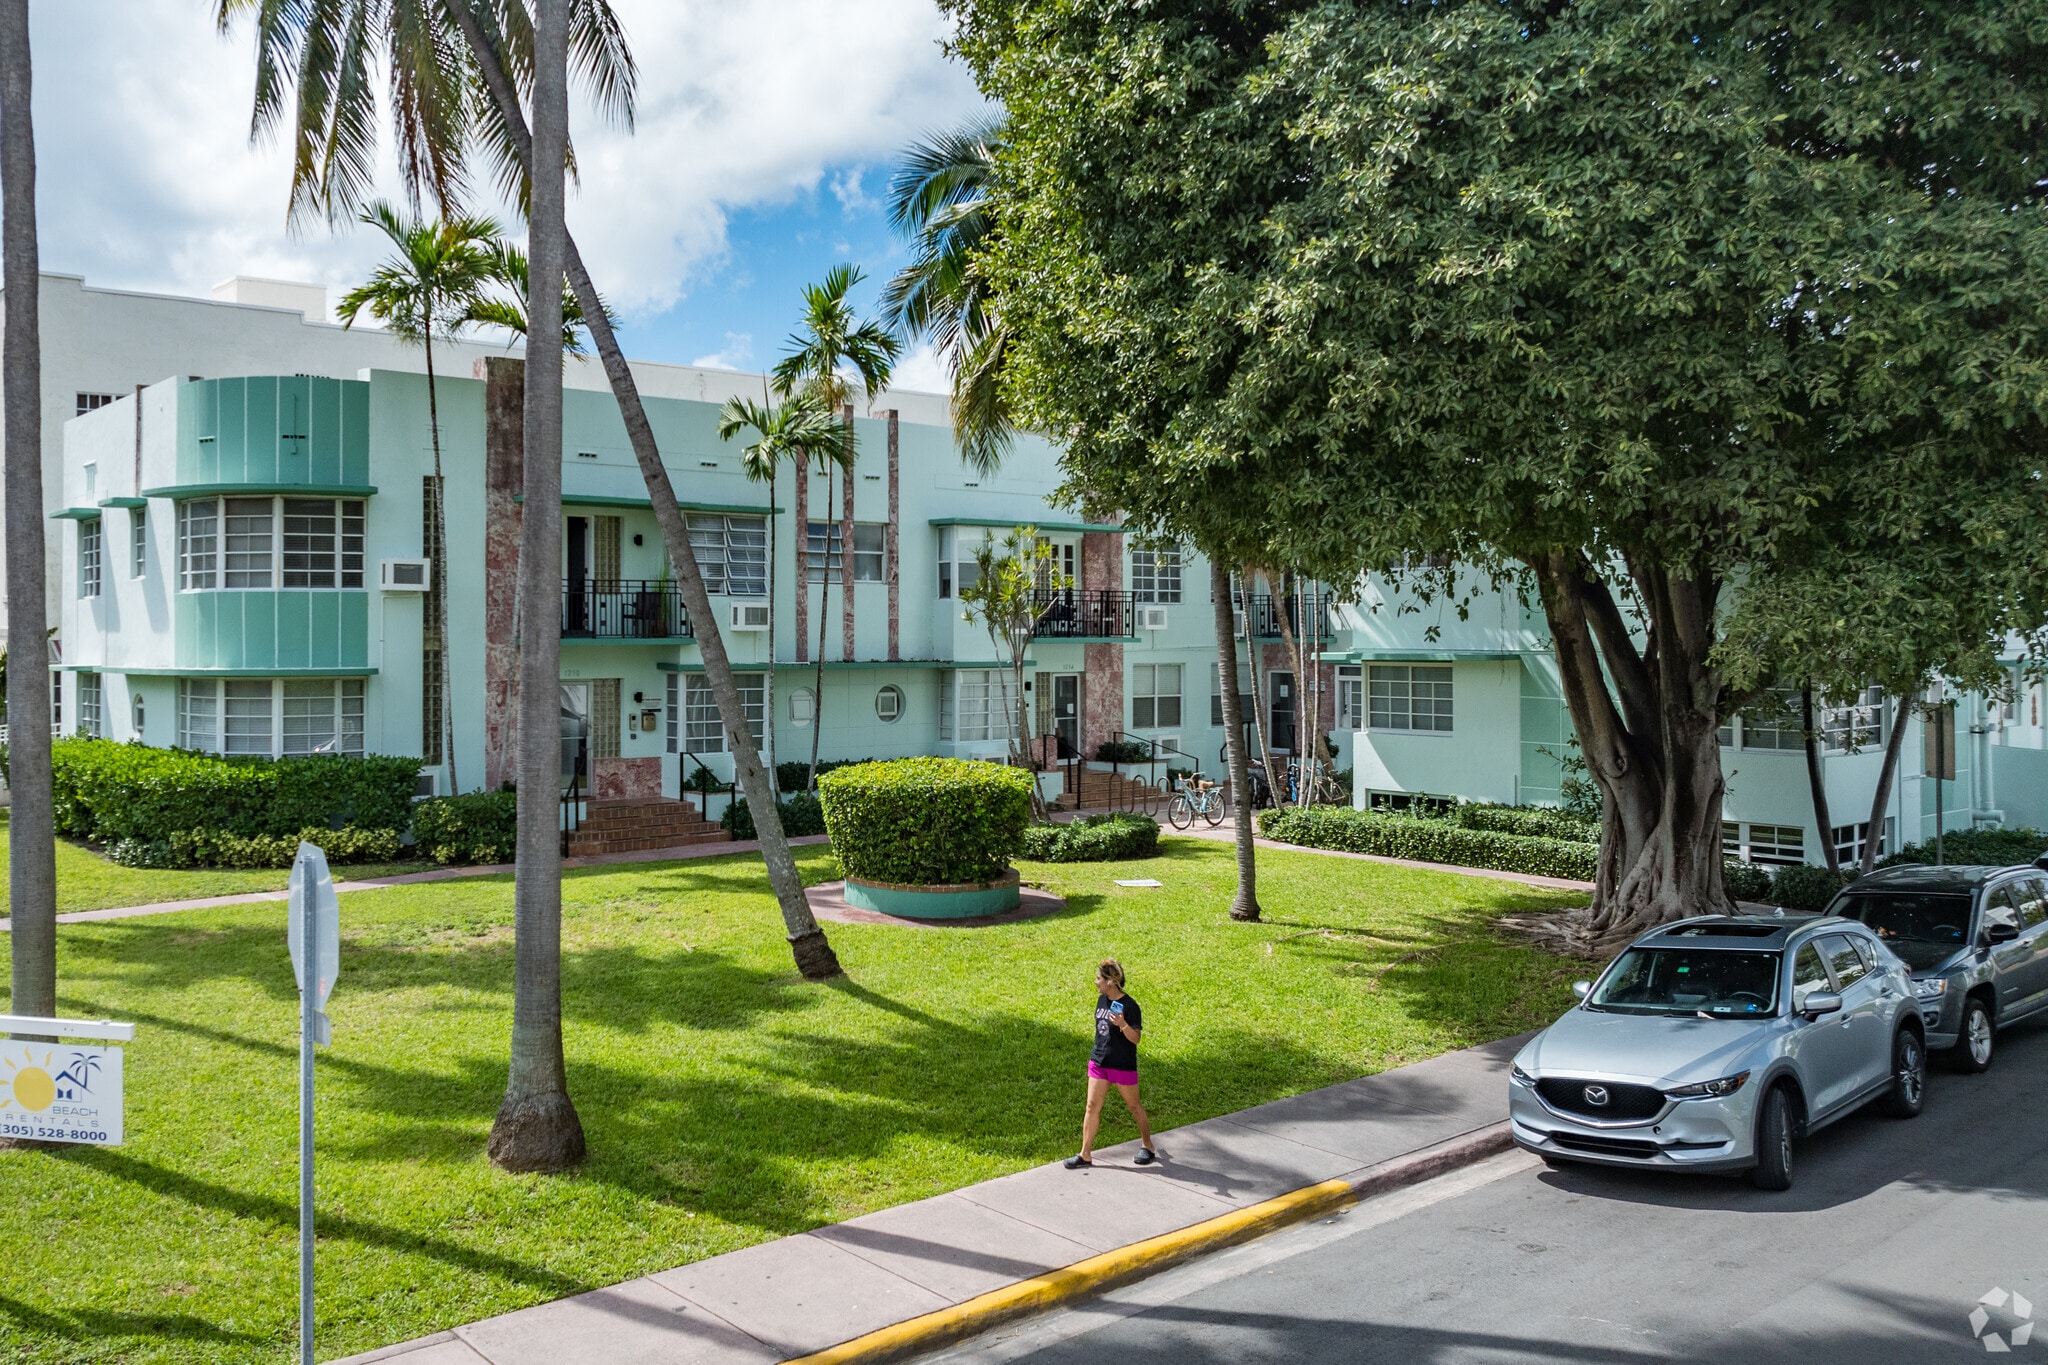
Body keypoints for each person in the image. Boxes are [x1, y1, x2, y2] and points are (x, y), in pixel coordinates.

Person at [1065, 958, 1157, 1168]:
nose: (1095, 982)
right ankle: (1085, 1154)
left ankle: (1148, 1145)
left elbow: (1136, 1039)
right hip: (1099, 1063)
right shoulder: (1102, 1000)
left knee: (1134, 1106)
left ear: (1110, 981)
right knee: (1091, 1106)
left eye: (1098, 978)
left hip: (1122, 1065)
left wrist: (1123, 1024)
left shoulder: (1130, 1006)